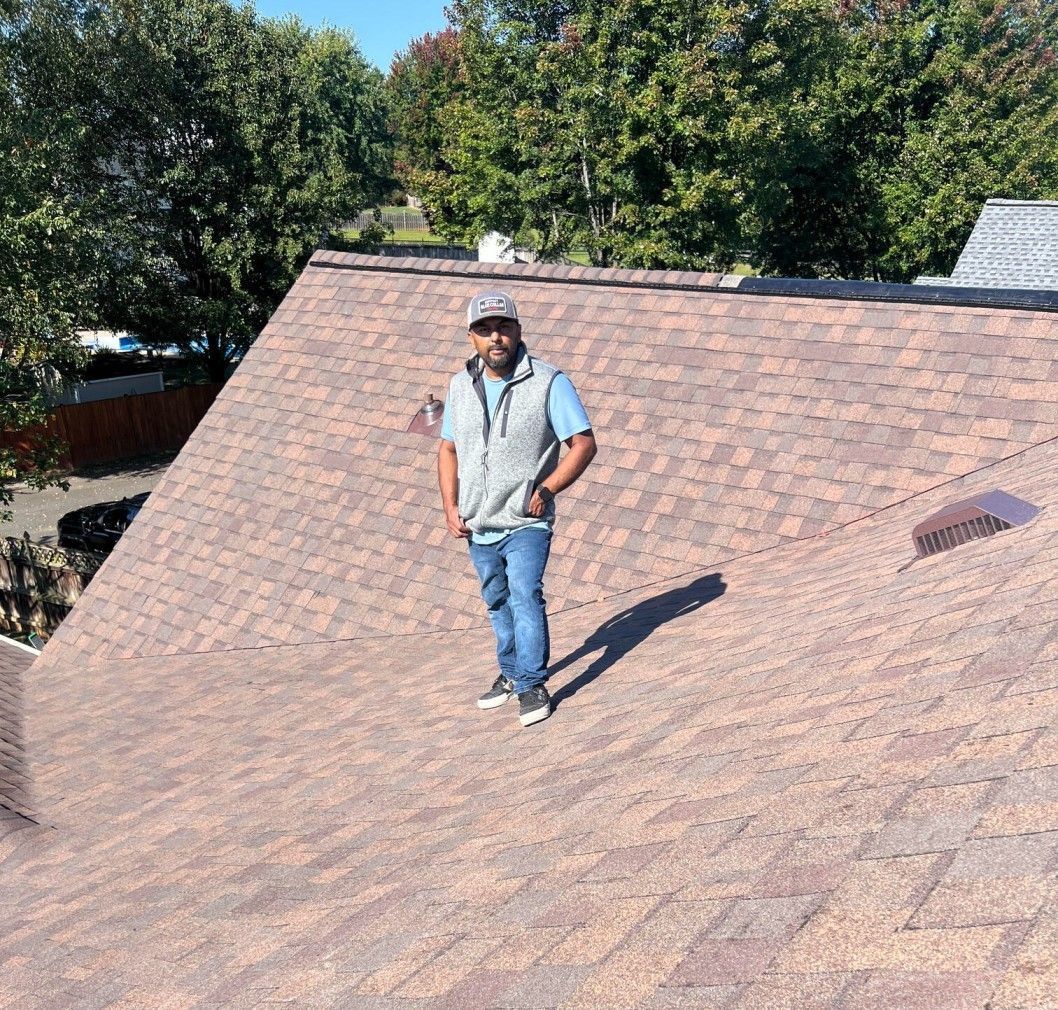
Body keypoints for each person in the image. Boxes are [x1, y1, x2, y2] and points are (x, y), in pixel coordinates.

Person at [438, 291, 597, 727]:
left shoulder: (549, 382)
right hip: (478, 522)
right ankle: (510, 672)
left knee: (525, 594)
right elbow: (448, 448)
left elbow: (583, 444)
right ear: (471, 337)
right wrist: (450, 504)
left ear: (518, 331)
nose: (496, 337)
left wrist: (547, 488)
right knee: (497, 600)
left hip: (526, 520)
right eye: (485, 330)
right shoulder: (459, 386)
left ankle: (531, 683)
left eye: (503, 327)